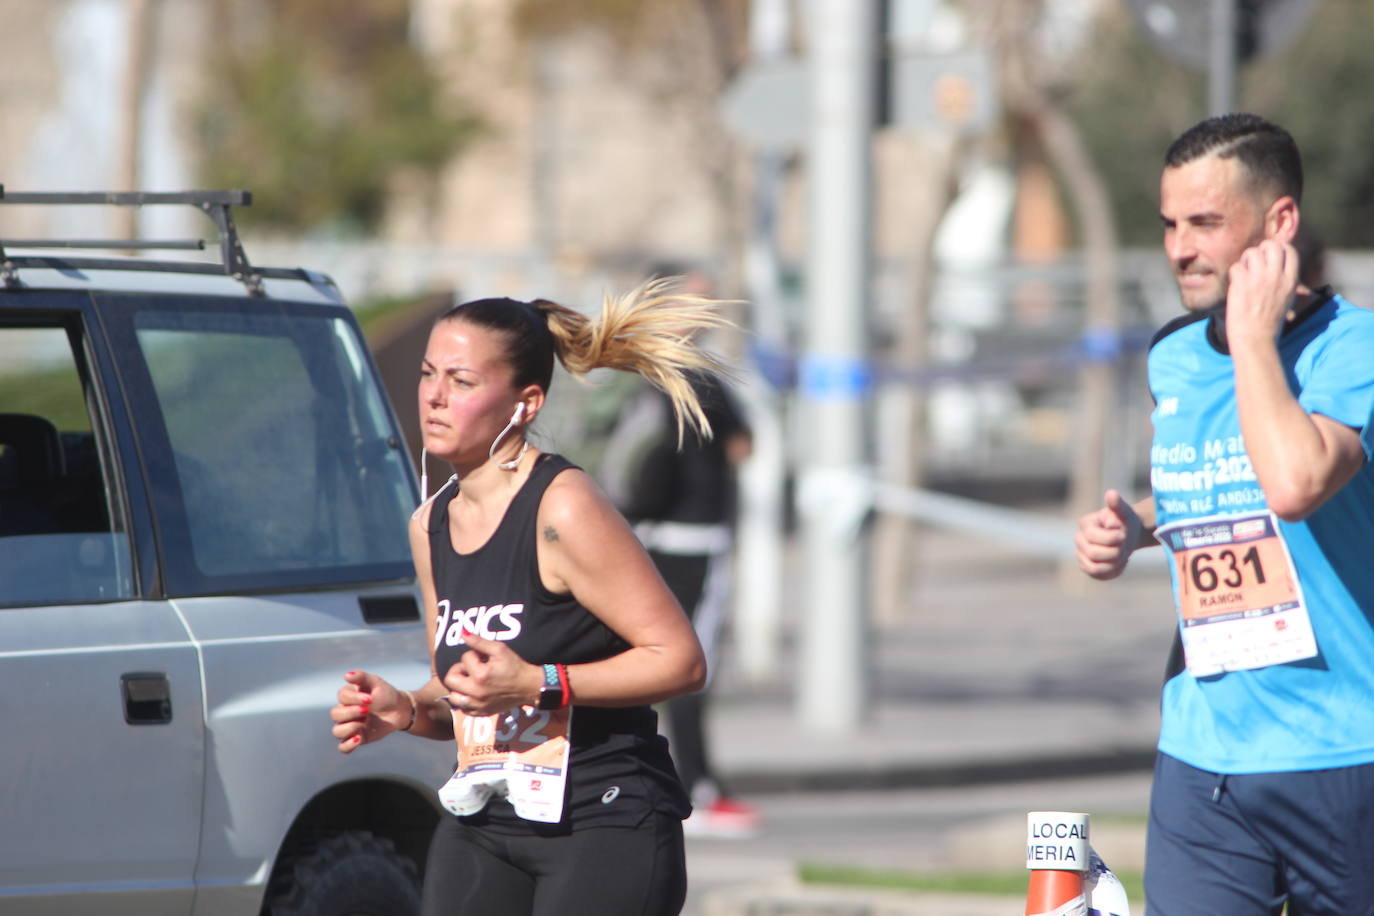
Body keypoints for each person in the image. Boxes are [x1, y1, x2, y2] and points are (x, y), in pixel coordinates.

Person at [329, 278, 736, 916]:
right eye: (429, 374)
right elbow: (466, 689)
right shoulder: (429, 524)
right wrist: (407, 708)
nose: (434, 396)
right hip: (488, 815)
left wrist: (539, 682)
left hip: (602, 820)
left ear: (524, 403)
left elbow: (679, 659)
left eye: (462, 382)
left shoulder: (562, 507)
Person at [1075, 113, 1374, 914]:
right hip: (1204, 758)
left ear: (1279, 223)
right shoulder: (1172, 353)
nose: (1180, 248)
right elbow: (1217, 483)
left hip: (1344, 753)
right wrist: (1137, 525)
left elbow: (1297, 482)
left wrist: (1252, 341)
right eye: (1170, 224)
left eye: (1205, 223)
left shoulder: (1355, 349)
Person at [598, 274, 758, 835]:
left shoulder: (634, 375)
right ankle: (698, 788)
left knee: (640, 657)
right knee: (691, 664)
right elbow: (743, 447)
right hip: (694, 537)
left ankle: (642, 781)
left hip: (637, 536)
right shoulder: (702, 377)